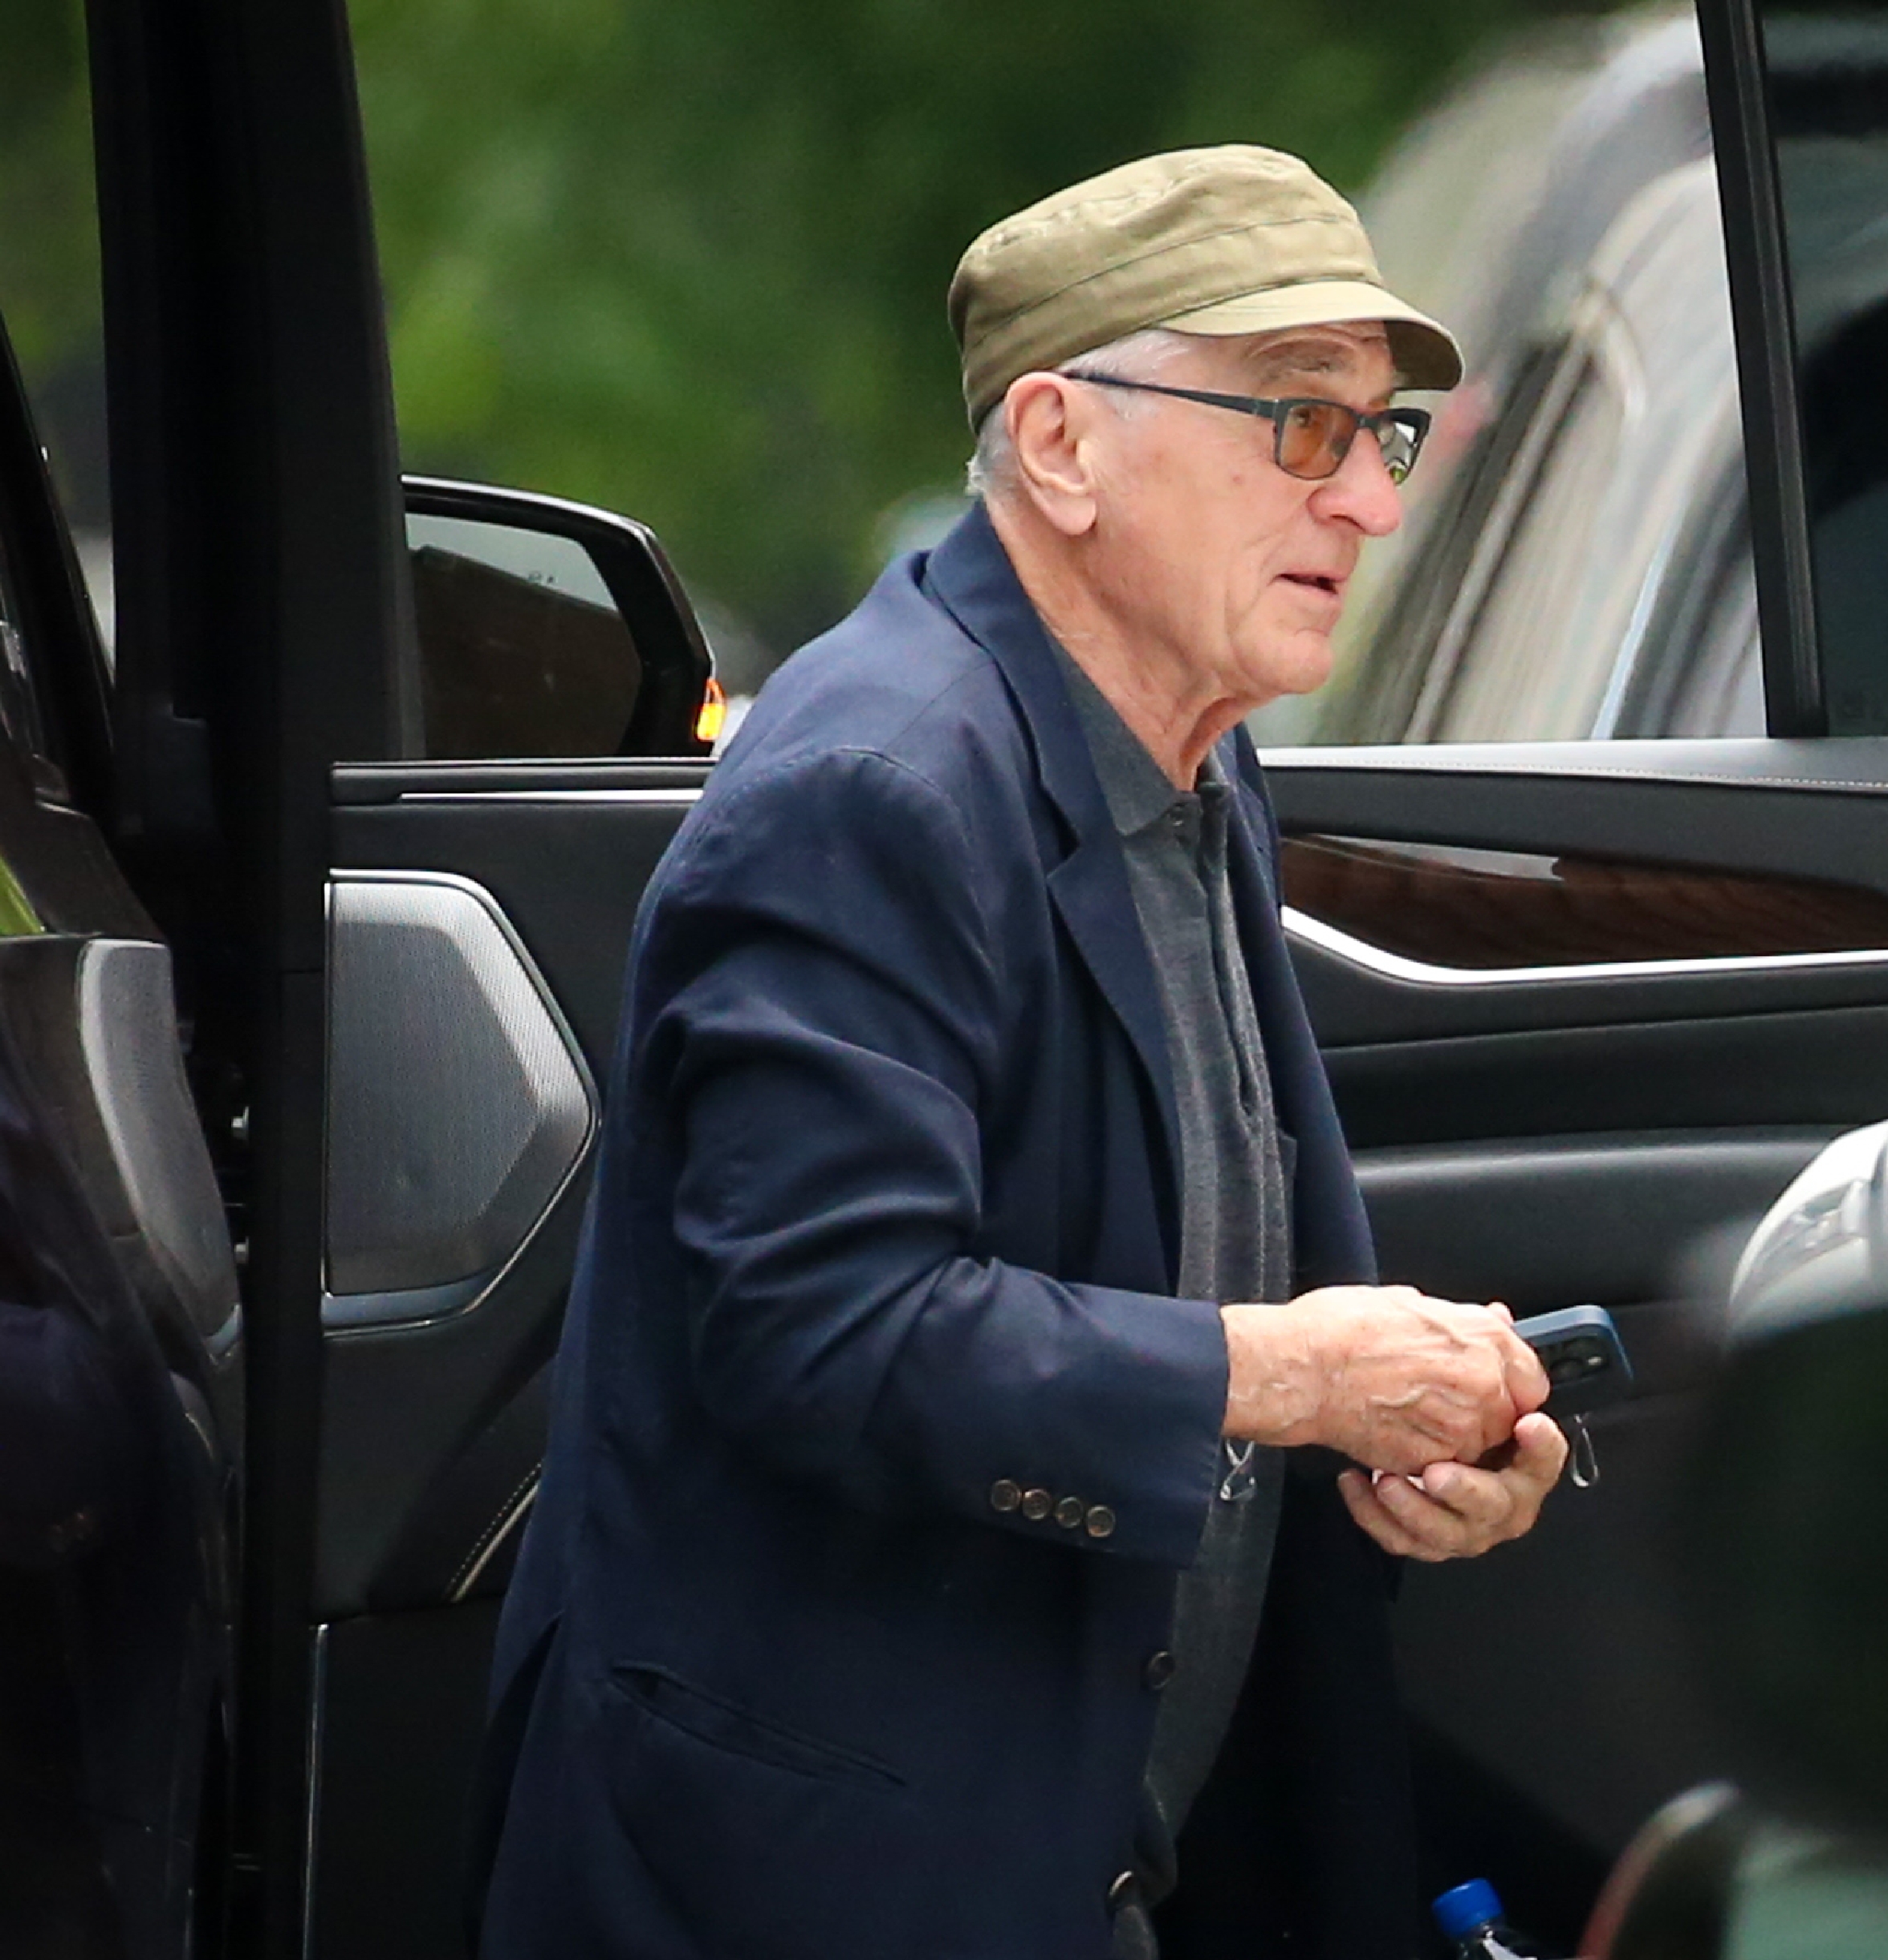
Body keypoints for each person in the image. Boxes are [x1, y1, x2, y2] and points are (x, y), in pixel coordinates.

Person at [470, 144, 1569, 1960]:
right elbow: (822, 1332)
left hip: (1082, 1854)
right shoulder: (872, 785)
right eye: (1299, 425)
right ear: (1060, 442)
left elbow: (1183, 1265)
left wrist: (1409, 1440)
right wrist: (1281, 1377)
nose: (1370, 504)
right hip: (815, 1894)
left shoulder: (1190, 744)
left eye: (1380, 435)